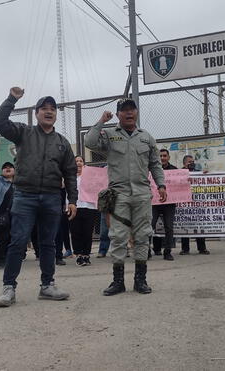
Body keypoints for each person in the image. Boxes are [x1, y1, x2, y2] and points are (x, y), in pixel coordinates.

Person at [0, 87, 77, 307]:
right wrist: (12, 99)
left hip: (51, 197)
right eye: (44, 109)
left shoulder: (62, 142)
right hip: (24, 196)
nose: (49, 112)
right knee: (18, 241)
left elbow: (69, 173)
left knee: (48, 243)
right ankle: (8, 288)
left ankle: (47, 286)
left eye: (52, 109)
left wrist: (73, 200)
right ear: (36, 113)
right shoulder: (24, 132)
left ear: (56, 114)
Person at [85, 98, 167, 296]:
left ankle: (141, 280)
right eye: (124, 110)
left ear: (136, 112)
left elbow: (155, 164)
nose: (129, 113)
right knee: (118, 237)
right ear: (119, 114)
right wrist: (101, 121)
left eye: (132, 109)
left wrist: (161, 184)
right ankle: (118, 281)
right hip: (119, 195)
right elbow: (89, 142)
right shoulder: (110, 135)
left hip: (141, 194)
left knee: (142, 236)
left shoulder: (146, 137)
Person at [69, 156, 98, 266]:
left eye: (81, 161)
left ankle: (86, 255)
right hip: (74, 207)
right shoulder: (69, 178)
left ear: (84, 164)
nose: (78, 163)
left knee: (87, 232)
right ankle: (78, 255)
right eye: (76, 161)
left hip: (89, 206)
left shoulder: (90, 177)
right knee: (76, 232)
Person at [180, 155, 210, 256]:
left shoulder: (197, 172)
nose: (192, 164)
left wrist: (204, 175)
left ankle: (202, 248)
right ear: (184, 163)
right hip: (184, 204)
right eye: (189, 162)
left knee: (199, 225)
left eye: (193, 162)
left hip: (196, 203)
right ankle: (185, 249)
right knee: (185, 226)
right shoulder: (179, 173)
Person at [151, 149, 178, 261]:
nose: (162, 158)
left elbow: (182, 181)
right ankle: (145, 251)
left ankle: (167, 252)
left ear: (168, 157)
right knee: (149, 226)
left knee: (169, 227)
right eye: (160, 156)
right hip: (154, 203)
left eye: (164, 156)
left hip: (169, 204)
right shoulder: (151, 169)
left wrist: (189, 179)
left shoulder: (175, 170)